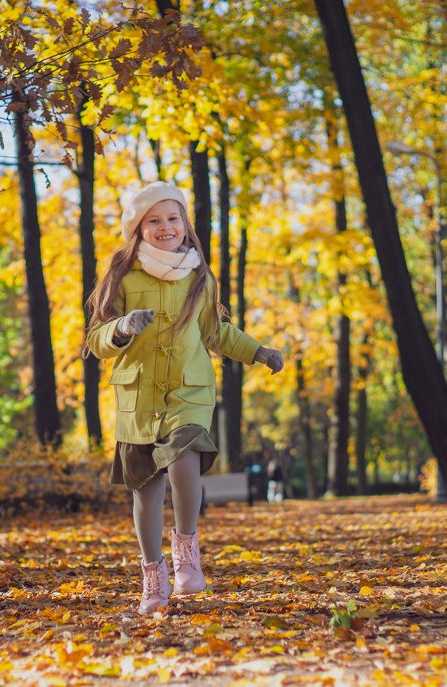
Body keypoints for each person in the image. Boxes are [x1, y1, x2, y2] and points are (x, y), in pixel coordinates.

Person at [83, 181, 284, 615]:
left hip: (190, 391)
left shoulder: (199, 275)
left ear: (185, 224)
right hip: (139, 398)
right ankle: (154, 577)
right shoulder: (122, 274)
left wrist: (258, 352)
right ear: (138, 229)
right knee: (147, 490)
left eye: (172, 218)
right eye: (153, 221)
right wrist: (121, 328)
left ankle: (187, 552)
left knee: (185, 458)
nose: (165, 227)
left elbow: (216, 332)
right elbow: (96, 339)